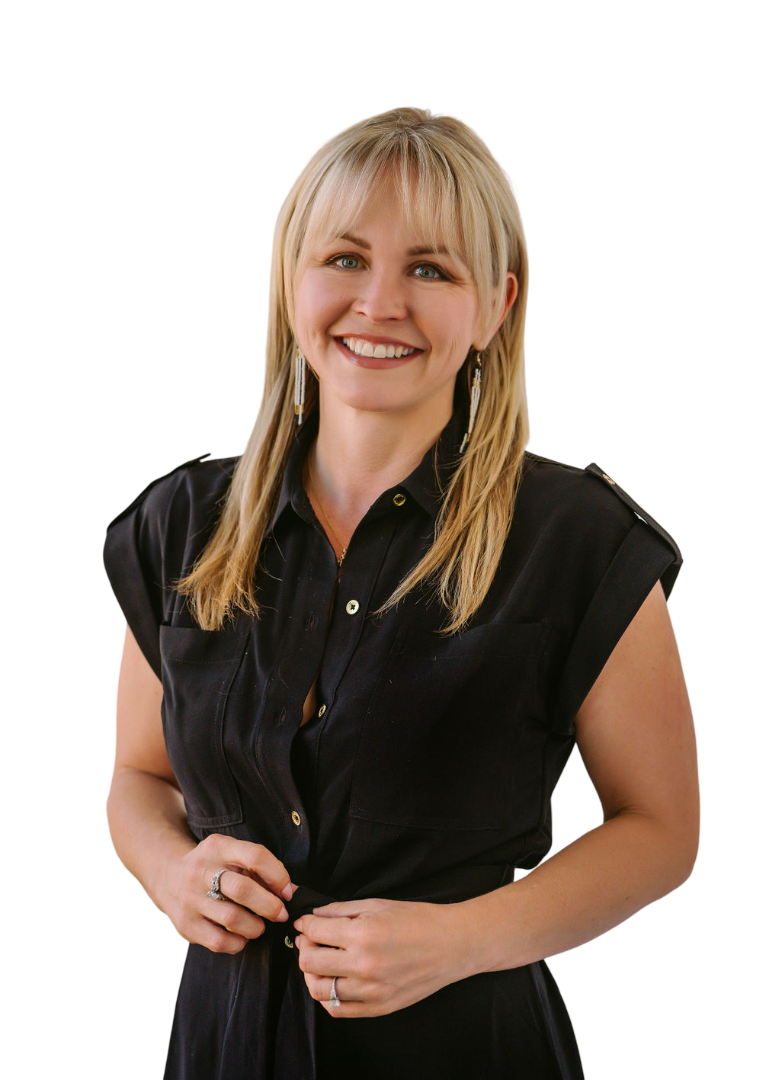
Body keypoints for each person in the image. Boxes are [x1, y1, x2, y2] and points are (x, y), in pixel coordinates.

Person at [103, 107, 700, 1080]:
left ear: (496, 304)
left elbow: (660, 832)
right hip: (223, 1049)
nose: (379, 302)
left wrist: (461, 941)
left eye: (430, 269)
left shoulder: (577, 537)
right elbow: (140, 779)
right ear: (291, 275)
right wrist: (174, 874)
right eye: (344, 258)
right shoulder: (183, 522)